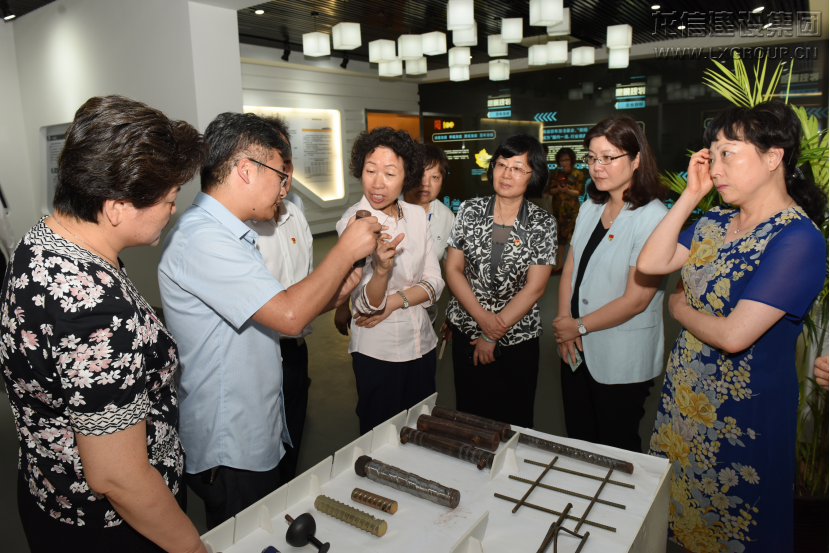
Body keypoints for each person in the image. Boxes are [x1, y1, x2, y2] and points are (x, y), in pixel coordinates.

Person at [0, 95, 207, 552]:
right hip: (113, 527)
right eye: (170, 200)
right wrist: (192, 547)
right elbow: (117, 476)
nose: (172, 210)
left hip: (47, 490)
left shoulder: (42, 240)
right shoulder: (95, 311)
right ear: (117, 207)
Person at [159, 112, 380, 528]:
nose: (284, 187)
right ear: (246, 170)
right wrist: (345, 250)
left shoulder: (229, 233)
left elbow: (278, 310)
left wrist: (343, 285)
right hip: (231, 443)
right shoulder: (203, 238)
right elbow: (290, 316)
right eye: (280, 175)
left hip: (255, 426)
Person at [637, 100, 826, 552]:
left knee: (735, 528)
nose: (715, 168)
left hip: (743, 415)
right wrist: (690, 196)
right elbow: (651, 263)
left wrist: (678, 308)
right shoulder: (714, 221)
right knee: (676, 522)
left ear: (773, 157)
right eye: (712, 154)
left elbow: (734, 335)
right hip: (685, 400)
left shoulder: (797, 238)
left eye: (728, 154)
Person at [551, 116, 668, 453]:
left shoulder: (653, 216)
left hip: (621, 352)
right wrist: (564, 323)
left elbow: (636, 299)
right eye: (591, 158)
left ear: (636, 159)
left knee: (616, 448)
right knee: (580, 441)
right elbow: (570, 268)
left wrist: (577, 325)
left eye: (608, 157)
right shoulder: (592, 205)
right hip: (575, 345)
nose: (596, 167)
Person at [335, 127, 445, 435]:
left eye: (390, 173)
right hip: (378, 351)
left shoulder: (416, 215)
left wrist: (395, 301)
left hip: (422, 343)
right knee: (380, 437)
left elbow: (435, 283)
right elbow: (368, 305)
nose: (377, 183)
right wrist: (383, 271)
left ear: (407, 176)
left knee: (422, 431)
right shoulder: (354, 223)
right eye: (370, 170)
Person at [445, 134, 556, 429]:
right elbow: (453, 268)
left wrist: (493, 334)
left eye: (518, 168)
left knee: (513, 421)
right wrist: (483, 321)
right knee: (469, 416)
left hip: (517, 338)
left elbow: (535, 287)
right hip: (468, 329)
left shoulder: (542, 223)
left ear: (534, 175)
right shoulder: (469, 210)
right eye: (501, 164)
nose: (506, 174)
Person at [244, 114, 313, 483]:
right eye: (274, 166)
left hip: (296, 352)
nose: (283, 177)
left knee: (292, 456)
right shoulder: (237, 230)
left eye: (286, 164)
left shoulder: (295, 215)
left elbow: (307, 287)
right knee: (259, 470)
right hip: (258, 359)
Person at [545, 147, 586, 272]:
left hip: (572, 212)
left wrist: (567, 190)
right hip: (558, 211)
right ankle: (559, 265)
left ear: (571, 160)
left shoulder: (578, 173)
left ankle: (575, 266)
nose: (564, 163)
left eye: (566, 160)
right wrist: (558, 189)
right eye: (562, 160)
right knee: (559, 240)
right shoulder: (556, 173)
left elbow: (579, 192)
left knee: (574, 239)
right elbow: (550, 190)